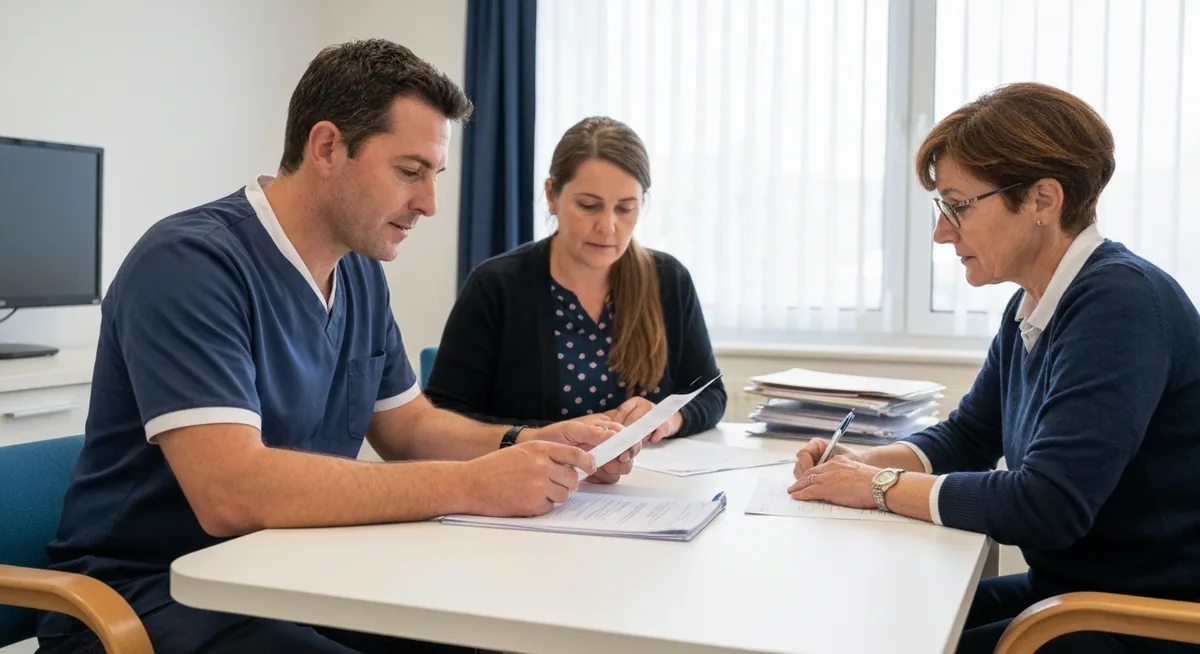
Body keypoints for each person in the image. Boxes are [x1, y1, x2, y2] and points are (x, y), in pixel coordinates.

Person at [36, 40, 638, 654]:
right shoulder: (190, 264)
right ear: (327, 147)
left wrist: (529, 442)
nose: (429, 203)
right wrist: (476, 484)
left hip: (293, 578)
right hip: (152, 598)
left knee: (503, 638)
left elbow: (407, 427)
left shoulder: (358, 272)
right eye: (409, 171)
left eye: (435, 176)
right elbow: (230, 492)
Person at [789, 82, 1200, 654]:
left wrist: (878, 488)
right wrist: (862, 462)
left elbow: (1048, 506)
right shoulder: (1033, 303)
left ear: (1042, 200)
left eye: (958, 205)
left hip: (1147, 617)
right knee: (868, 623)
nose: (941, 231)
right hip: (1075, 593)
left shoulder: (1120, 304)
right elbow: (970, 435)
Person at [425, 116, 725, 443]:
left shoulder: (669, 280)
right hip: (527, 484)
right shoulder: (497, 286)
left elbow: (711, 394)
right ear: (552, 195)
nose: (608, 226)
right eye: (588, 206)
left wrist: (668, 420)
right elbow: (443, 417)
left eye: (625, 209)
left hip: (645, 487)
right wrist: (541, 437)